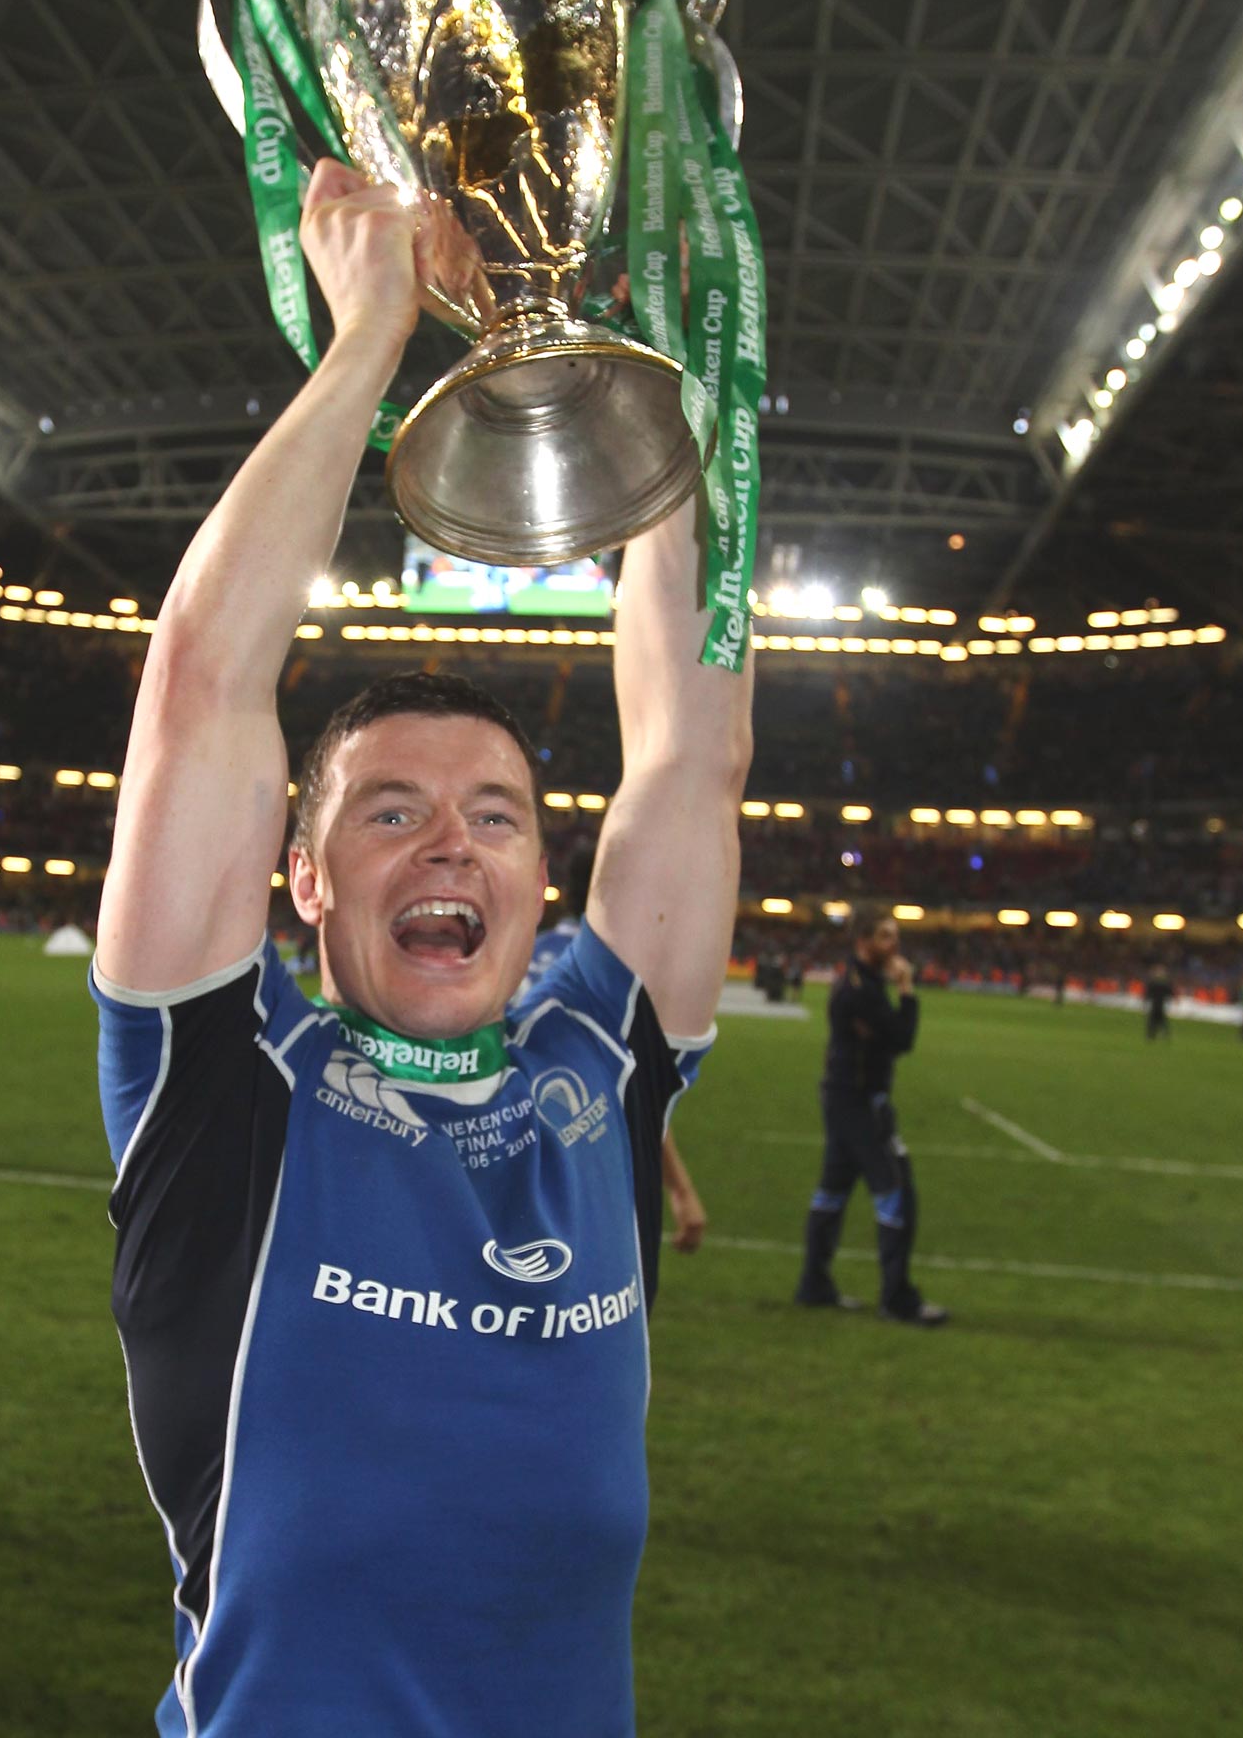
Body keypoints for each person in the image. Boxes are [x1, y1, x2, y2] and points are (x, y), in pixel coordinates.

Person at [90, 158, 753, 1738]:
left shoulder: (602, 1065)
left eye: (499, 818)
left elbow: (687, 757)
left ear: (543, 881)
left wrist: (628, 379)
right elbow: (197, 685)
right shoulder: (228, 1084)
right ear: (302, 879)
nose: (454, 841)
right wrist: (370, 337)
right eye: (391, 814)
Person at [522, 842, 708, 1253]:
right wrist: (680, 1189)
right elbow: (636, 1096)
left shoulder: (521, 954)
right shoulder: (610, 986)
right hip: (586, 1176)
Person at [794, 905, 946, 1326]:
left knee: (832, 1191)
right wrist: (908, 989)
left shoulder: (863, 984)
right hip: (860, 1103)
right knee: (897, 1191)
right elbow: (901, 1039)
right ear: (862, 942)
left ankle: (813, 1284)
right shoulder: (857, 992)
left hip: (846, 1099)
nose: (894, 944)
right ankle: (897, 1299)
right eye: (884, 936)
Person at [1146, 965, 1174, 1041]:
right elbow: (1170, 993)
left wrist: (1146, 999)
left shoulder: (1154, 983)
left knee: (1153, 1020)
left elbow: (1148, 993)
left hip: (1156, 1004)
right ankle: (1164, 1035)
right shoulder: (1165, 983)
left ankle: (1151, 1036)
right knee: (1161, 1021)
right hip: (1160, 1004)